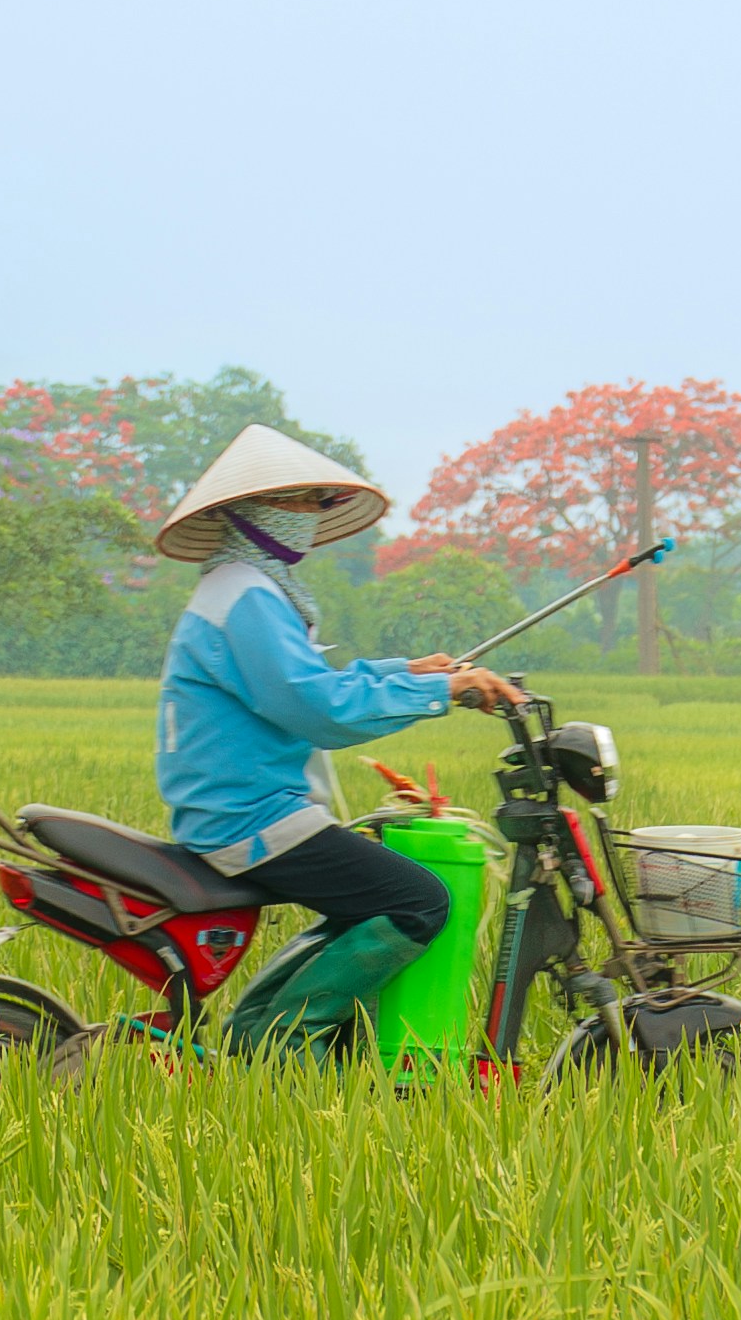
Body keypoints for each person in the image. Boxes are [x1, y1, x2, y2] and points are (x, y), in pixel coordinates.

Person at [149, 426, 522, 1064]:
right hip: (252, 814)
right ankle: (282, 1046)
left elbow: (314, 681)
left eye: (323, 500)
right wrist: (441, 693)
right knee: (418, 900)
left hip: (249, 807)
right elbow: (315, 706)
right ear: (255, 511)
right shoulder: (245, 596)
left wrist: (409, 673)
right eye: (304, 500)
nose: (316, 513)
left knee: (369, 904)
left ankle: (253, 1034)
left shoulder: (246, 589)